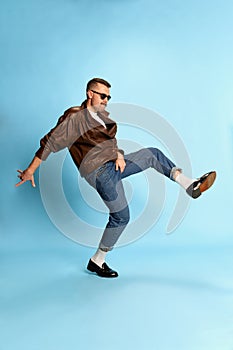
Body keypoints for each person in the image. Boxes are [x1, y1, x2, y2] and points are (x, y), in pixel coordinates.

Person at [16, 77, 216, 278]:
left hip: (112, 166)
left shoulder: (104, 119)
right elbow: (50, 142)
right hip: (98, 172)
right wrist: (31, 170)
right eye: (102, 96)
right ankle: (98, 260)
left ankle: (189, 186)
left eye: (108, 97)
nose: (105, 100)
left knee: (150, 159)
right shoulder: (75, 116)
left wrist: (118, 154)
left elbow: (110, 143)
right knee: (122, 214)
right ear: (90, 93)